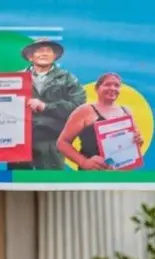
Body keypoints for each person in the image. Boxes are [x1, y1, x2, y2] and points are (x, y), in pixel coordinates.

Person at [9, 37, 85, 170]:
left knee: (51, 183)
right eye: (39, 51)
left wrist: (46, 107)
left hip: (52, 141)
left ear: (54, 56)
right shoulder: (15, 79)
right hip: (20, 141)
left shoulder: (67, 78)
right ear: (30, 57)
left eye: (48, 51)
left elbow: (79, 106)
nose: (44, 54)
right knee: (18, 183)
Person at [57, 72, 144, 170]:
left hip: (119, 175)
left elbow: (135, 142)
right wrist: (84, 162)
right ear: (97, 88)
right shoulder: (84, 111)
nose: (112, 88)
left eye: (117, 86)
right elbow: (62, 143)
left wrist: (138, 140)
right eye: (107, 84)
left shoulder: (126, 111)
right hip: (92, 176)